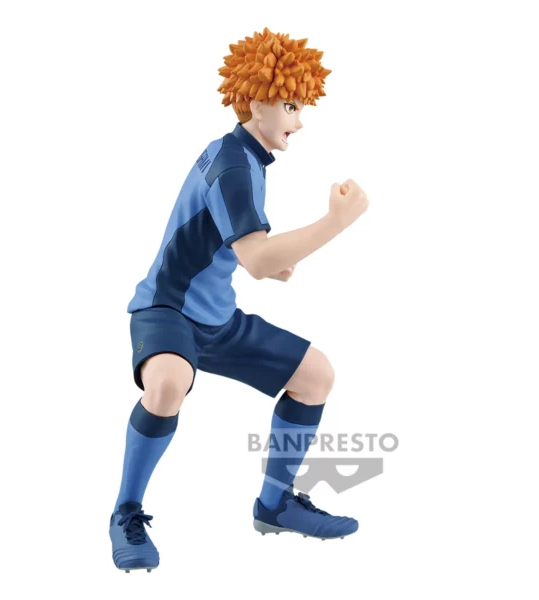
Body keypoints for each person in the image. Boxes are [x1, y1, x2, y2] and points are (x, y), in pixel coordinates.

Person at [109, 26, 369, 572]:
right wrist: (336, 221)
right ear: (255, 102)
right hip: (167, 310)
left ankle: (275, 507)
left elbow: (233, 242)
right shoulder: (234, 165)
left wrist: (268, 262)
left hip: (217, 318)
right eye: (291, 106)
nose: (300, 121)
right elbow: (256, 258)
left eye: (301, 107)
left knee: (316, 376)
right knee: (169, 382)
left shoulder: (240, 156)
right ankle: (126, 512)